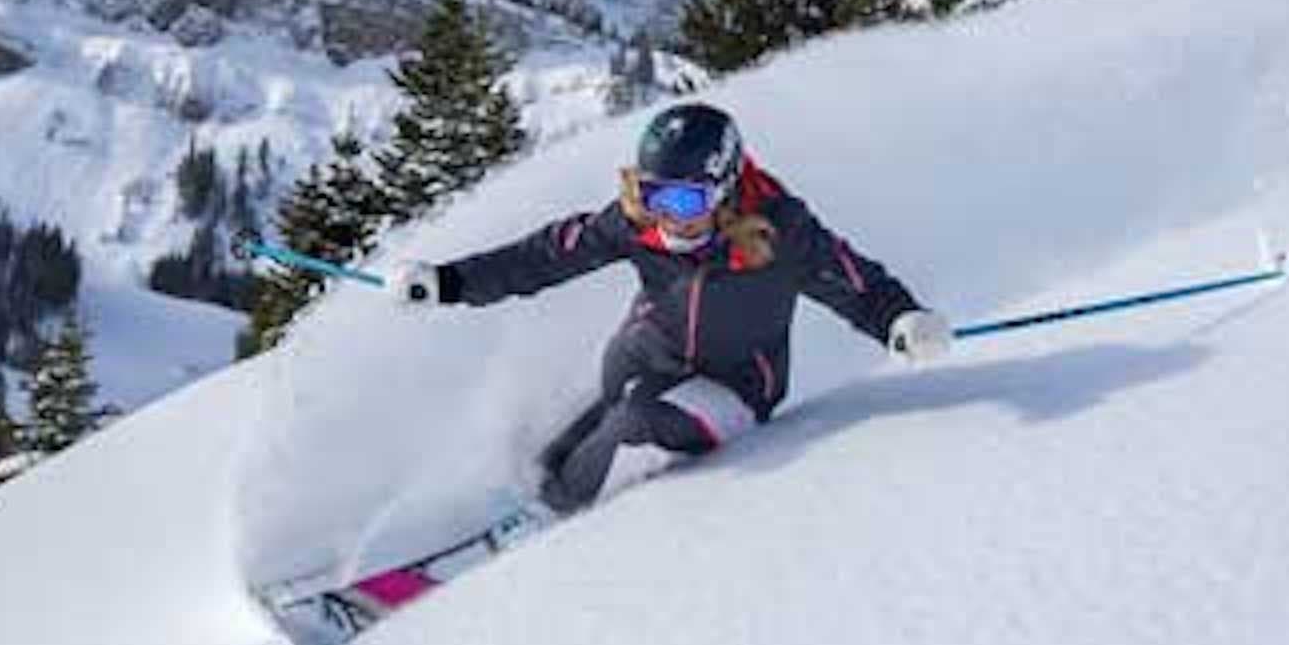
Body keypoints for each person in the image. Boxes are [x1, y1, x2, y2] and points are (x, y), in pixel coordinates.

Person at [387, 101, 952, 513]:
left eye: (687, 199)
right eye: (657, 194)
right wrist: (449, 282)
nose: (670, 216)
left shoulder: (781, 232)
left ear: (725, 187)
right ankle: (520, 490)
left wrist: (901, 321)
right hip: (645, 359)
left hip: (733, 388)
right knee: (596, 411)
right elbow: (542, 257)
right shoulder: (636, 222)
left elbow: (857, 284)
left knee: (635, 422)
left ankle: (549, 516)